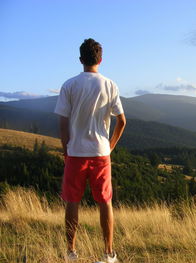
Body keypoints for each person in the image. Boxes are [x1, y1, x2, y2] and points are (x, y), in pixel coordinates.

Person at [54, 38, 126, 263]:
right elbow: (122, 121)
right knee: (105, 201)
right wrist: (110, 146)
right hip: (101, 153)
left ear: (80, 59)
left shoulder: (69, 85)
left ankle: (71, 253)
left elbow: (63, 123)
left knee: (72, 202)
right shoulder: (110, 85)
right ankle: (108, 254)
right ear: (101, 59)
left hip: (75, 153)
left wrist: (67, 150)